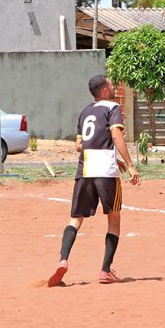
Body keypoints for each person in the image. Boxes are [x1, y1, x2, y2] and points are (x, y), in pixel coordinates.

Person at [48, 75, 141, 286]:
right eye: (111, 83)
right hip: (105, 173)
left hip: (85, 169)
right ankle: (105, 271)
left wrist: (109, 155)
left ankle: (63, 260)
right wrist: (130, 164)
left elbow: (79, 145)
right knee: (114, 218)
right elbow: (116, 135)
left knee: (76, 218)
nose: (113, 85)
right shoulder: (113, 107)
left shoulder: (85, 111)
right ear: (105, 91)